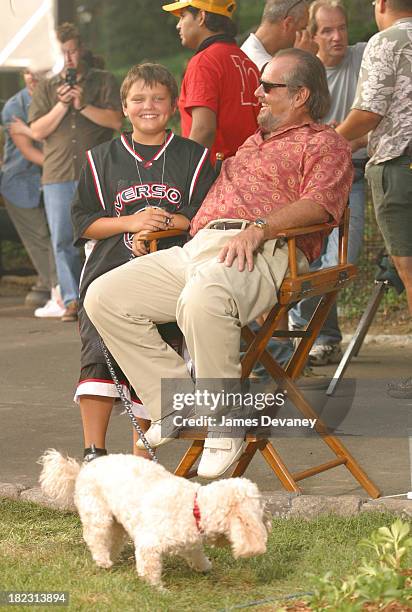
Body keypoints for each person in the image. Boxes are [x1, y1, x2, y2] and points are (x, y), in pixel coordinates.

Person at [84, 49, 353, 478]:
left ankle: (224, 425)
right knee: (104, 295)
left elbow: (320, 206)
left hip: (262, 247)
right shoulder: (252, 142)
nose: (257, 93)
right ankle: (173, 403)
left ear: (300, 94)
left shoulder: (325, 143)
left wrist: (260, 229)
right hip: (200, 245)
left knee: (202, 299)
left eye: (268, 86)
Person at [72, 63, 216, 463]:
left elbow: (204, 215)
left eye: (158, 98)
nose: (148, 106)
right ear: (124, 106)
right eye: (138, 98)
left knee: (156, 352)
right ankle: (94, 455)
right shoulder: (100, 159)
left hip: (168, 275)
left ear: (173, 105)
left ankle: (143, 462)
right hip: (109, 269)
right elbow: (84, 222)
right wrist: (131, 221)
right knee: (98, 352)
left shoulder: (196, 157)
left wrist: (162, 222)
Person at [336, 0, 412, 397]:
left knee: (410, 273)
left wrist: (330, 140)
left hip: (402, 170)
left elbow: (369, 113)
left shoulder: (385, 42)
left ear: (380, 4)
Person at [289, 0, 369, 366]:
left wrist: (350, 138)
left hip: (354, 173)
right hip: (309, 180)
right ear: (312, 35)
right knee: (310, 258)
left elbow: (384, 115)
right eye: (327, 30)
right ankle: (318, 335)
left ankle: (315, 331)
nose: (337, 37)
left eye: (342, 28)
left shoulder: (366, 57)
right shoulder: (302, 69)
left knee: (341, 260)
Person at [28, 22, 123, 322]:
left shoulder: (103, 80)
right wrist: (61, 104)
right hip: (56, 173)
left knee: (103, 236)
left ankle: (104, 297)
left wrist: (82, 105)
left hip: (97, 171)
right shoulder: (45, 87)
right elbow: (36, 130)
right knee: (63, 239)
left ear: (80, 49)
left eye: (71, 51)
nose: (68, 58)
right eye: (62, 53)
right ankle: (72, 300)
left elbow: (116, 121)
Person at [162, 0, 260, 161]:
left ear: (201, 17)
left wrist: (184, 174)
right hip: (249, 169)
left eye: (182, 16)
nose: (178, 25)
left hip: (216, 174)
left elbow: (203, 129)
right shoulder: (245, 59)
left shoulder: (204, 62)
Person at [0, 69, 60, 313]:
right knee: (40, 239)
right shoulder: (14, 106)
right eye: (27, 72)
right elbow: (29, 151)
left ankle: (58, 288)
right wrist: (65, 166)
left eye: (39, 71)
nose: (33, 77)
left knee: (60, 236)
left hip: (55, 178)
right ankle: (58, 291)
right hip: (21, 182)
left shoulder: (60, 98)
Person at [241, 0, 318, 71]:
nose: (306, 35)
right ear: (288, 23)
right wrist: (303, 58)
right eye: (303, 28)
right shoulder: (261, 65)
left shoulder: (249, 51)